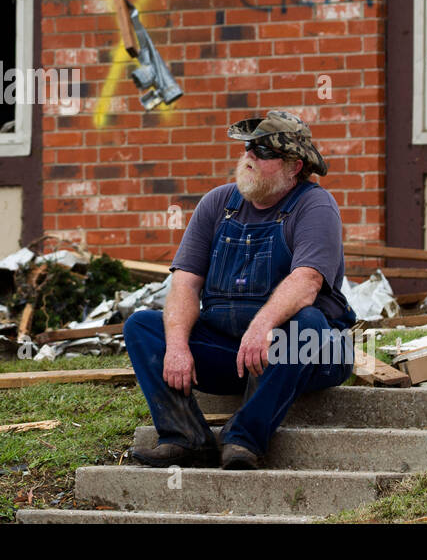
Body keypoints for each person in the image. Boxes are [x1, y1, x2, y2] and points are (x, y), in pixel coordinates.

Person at [123, 110, 356, 470]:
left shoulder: (314, 205)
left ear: (294, 166)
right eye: (249, 148)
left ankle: (244, 438)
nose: (249, 157)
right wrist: (178, 345)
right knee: (142, 327)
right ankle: (185, 437)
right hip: (234, 353)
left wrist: (262, 328)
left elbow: (307, 282)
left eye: (263, 152)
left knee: (307, 323)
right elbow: (185, 283)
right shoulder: (218, 203)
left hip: (304, 353)